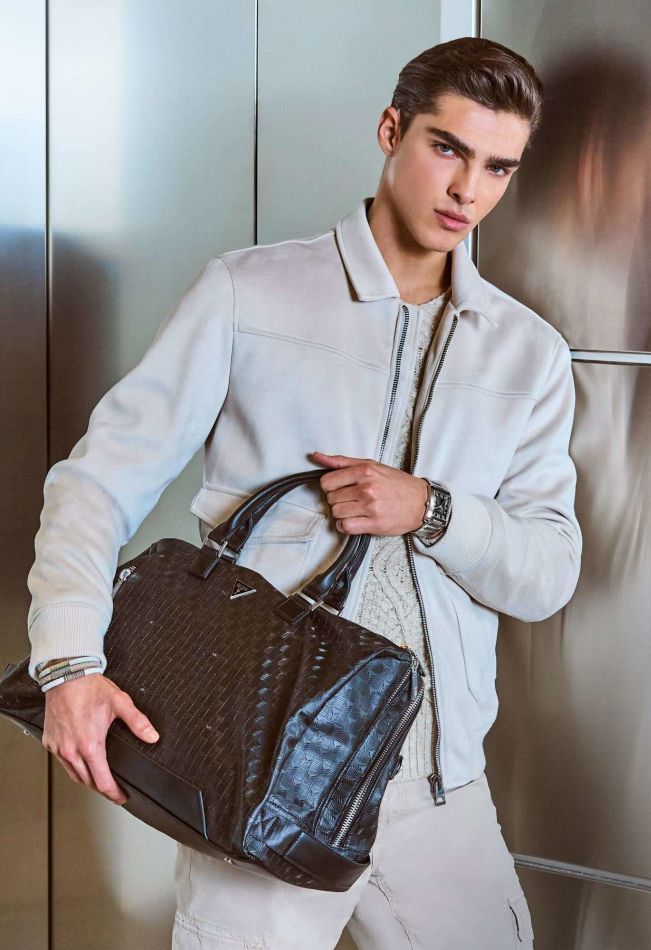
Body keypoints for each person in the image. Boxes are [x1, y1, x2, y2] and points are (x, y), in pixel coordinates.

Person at [27, 36, 581, 949]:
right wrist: (68, 662)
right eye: (446, 148)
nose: (465, 191)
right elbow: (97, 480)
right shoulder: (249, 293)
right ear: (390, 130)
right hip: (262, 773)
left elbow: (547, 572)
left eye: (496, 167)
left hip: (436, 786)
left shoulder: (528, 352)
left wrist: (431, 511)